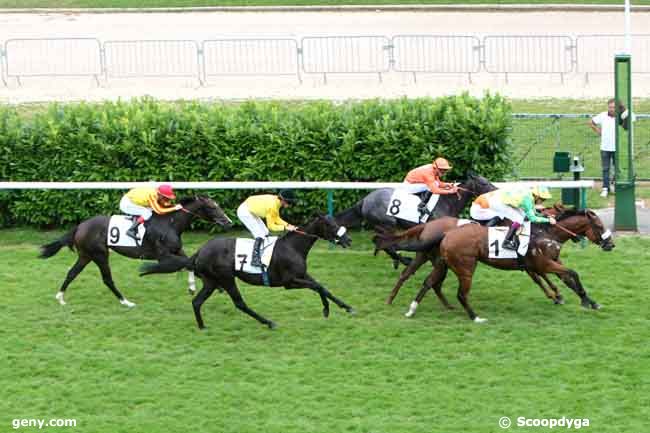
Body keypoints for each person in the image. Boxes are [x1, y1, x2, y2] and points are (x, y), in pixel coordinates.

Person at [470, 185, 556, 251]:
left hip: (498, 198)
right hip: (498, 201)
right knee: (519, 219)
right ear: (537, 196)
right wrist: (548, 220)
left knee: (520, 215)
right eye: (543, 199)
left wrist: (542, 215)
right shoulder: (527, 200)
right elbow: (532, 218)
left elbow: (530, 211)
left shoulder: (529, 194)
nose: (543, 201)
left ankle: (487, 228)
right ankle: (506, 242)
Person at [237, 189, 298, 267]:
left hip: (250, 209)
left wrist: (288, 225)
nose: (290, 205)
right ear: (283, 200)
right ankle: (255, 259)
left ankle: (263, 253)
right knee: (260, 234)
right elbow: (271, 227)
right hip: (244, 211)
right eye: (289, 202)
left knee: (265, 232)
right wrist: (285, 228)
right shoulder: (272, 206)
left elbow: (276, 218)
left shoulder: (277, 202)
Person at [589, 98, 632, 198]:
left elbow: (627, 126)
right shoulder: (603, 115)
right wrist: (598, 131)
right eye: (610, 107)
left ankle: (613, 185)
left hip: (616, 147)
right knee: (605, 169)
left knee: (617, 169)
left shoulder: (620, 117)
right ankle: (605, 188)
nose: (611, 109)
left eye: (613, 107)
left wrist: (625, 113)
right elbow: (591, 122)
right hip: (604, 147)